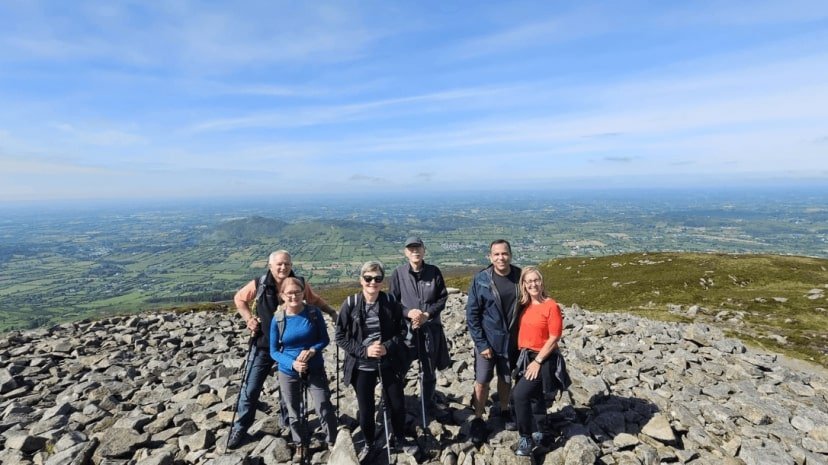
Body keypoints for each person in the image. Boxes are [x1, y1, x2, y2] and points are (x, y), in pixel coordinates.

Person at [228, 250, 337, 449]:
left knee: (288, 390)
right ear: (270, 266)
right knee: (251, 389)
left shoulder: (298, 283)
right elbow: (239, 299)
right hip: (263, 345)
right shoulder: (259, 283)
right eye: (279, 264)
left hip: (291, 350)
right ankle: (240, 428)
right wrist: (249, 319)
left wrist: (331, 312)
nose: (283, 267)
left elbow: (314, 300)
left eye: (286, 264)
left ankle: (289, 423)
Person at [335, 261, 417, 462]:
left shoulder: (390, 301)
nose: (373, 282)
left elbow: (402, 331)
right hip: (362, 366)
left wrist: (387, 346)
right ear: (361, 280)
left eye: (378, 278)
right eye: (368, 278)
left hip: (388, 362)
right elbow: (340, 336)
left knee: (397, 404)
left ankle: (399, 438)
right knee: (366, 409)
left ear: (383, 281)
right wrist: (364, 350)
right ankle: (369, 443)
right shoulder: (351, 303)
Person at [269, 277, 337, 461]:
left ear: (303, 293)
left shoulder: (314, 313)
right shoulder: (278, 319)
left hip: (314, 368)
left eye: (297, 292)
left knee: (323, 405)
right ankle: (299, 443)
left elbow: (324, 339)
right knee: (293, 410)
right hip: (288, 371)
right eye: (289, 293)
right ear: (282, 295)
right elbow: (274, 351)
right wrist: (293, 363)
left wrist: (312, 350)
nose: (294, 296)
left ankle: (333, 441)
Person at [466, 239, 522, 443]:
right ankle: (479, 417)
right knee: (482, 381)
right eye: (496, 254)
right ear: (490, 257)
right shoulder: (481, 279)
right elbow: (472, 315)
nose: (501, 257)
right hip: (487, 343)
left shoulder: (520, 276)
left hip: (511, 342)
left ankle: (505, 410)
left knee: (506, 379)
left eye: (504, 253)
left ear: (510, 255)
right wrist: (481, 345)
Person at [388, 236, 451, 418]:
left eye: (418, 247)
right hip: (406, 331)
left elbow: (442, 298)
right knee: (401, 368)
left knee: (429, 369)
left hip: (430, 329)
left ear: (424, 250)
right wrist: (409, 313)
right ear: (405, 252)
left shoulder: (434, 271)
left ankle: (427, 402)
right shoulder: (398, 274)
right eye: (411, 248)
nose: (415, 251)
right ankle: (396, 401)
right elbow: (393, 302)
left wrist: (426, 315)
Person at [510, 266, 565, 456]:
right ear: (523, 285)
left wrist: (538, 361)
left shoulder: (551, 306)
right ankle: (542, 431)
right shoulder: (524, 305)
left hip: (544, 358)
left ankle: (526, 437)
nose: (533, 284)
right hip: (526, 356)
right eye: (529, 281)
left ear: (542, 282)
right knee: (534, 396)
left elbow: (554, 337)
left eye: (536, 280)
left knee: (519, 395)